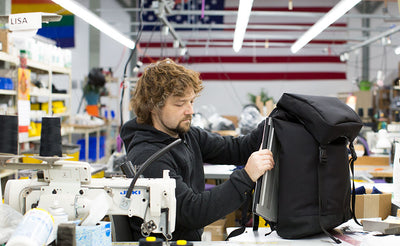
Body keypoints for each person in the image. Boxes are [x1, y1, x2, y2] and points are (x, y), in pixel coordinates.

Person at [120, 58, 274, 241]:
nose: (190, 110)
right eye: (180, 104)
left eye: (191, 101)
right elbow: (191, 212)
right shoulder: (148, 156)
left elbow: (237, 149)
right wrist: (246, 177)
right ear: (152, 106)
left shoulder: (185, 135)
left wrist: (272, 122)